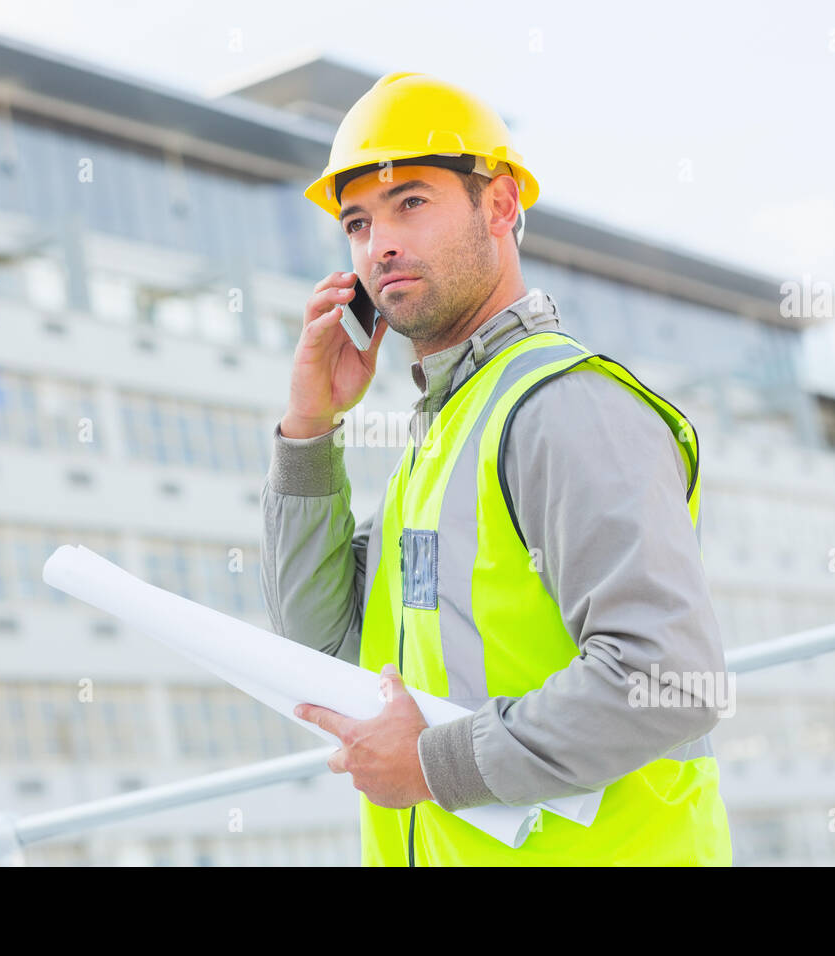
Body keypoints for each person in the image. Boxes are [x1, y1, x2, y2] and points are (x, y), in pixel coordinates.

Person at [260, 72, 733, 865]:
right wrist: (308, 428)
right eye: (358, 223)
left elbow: (671, 676)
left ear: (502, 205)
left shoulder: (563, 406)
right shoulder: (443, 434)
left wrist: (431, 764)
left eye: (411, 202)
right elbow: (321, 648)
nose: (380, 245)